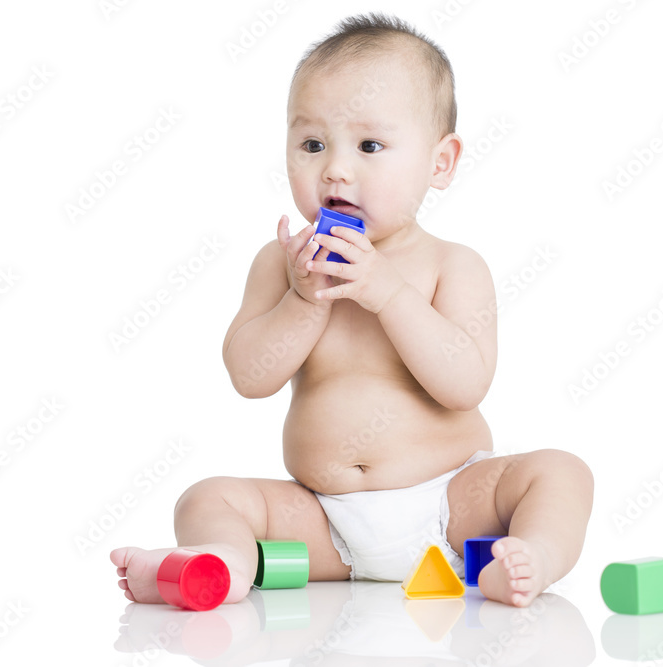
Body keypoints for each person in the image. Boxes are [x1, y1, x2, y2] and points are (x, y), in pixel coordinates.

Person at [111, 12, 593, 608]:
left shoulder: (452, 265)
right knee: (207, 497)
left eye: (370, 145)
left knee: (560, 471)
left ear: (439, 163)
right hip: (323, 520)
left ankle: (531, 557)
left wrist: (389, 294)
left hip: (451, 507)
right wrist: (303, 301)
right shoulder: (281, 264)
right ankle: (224, 568)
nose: (335, 168)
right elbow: (249, 378)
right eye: (312, 144)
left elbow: (465, 384)